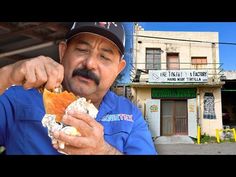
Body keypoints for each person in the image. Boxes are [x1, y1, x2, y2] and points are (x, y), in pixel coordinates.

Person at [0, 22, 157, 155]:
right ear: (63, 52)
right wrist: (6, 75)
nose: (90, 63)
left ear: (118, 69)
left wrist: (104, 151)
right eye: (82, 49)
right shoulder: (17, 99)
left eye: (104, 57)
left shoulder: (130, 116)